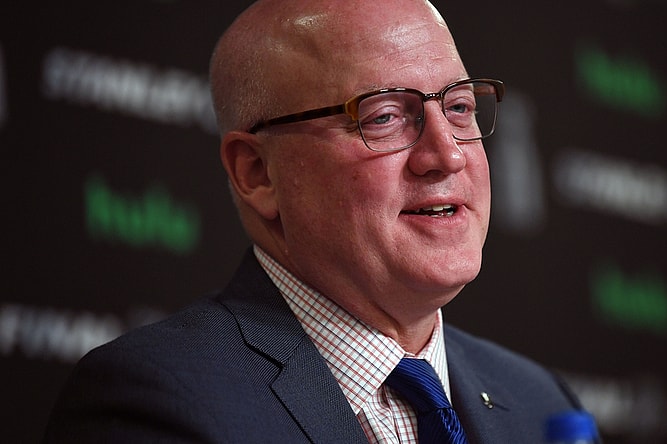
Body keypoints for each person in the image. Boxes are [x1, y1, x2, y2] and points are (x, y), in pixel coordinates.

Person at [45, 0, 585, 442]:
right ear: (258, 173)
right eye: (385, 116)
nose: (447, 154)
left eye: (461, 108)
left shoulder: (541, 405)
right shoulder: (154, 403)